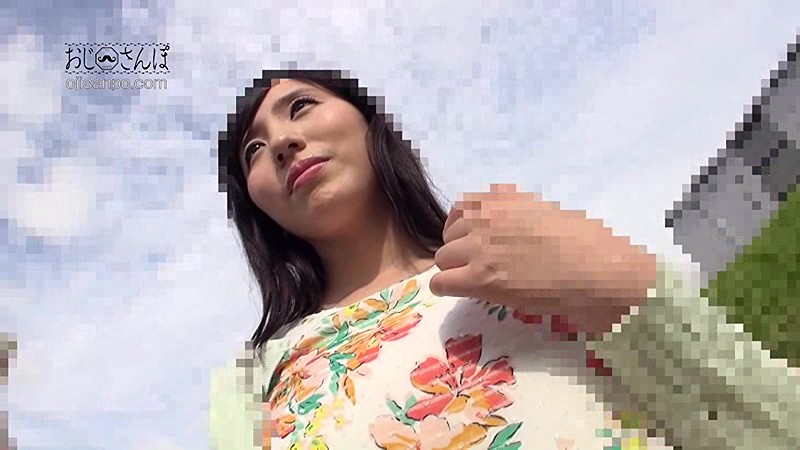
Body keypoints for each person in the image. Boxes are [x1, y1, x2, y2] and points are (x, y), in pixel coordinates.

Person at [209, 69, 800, 450]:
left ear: (369, 122)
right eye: (253, 149)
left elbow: (777, 426)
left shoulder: (528, 252)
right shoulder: (255, 376)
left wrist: (619, 284)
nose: (281, 142)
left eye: (301, 105)